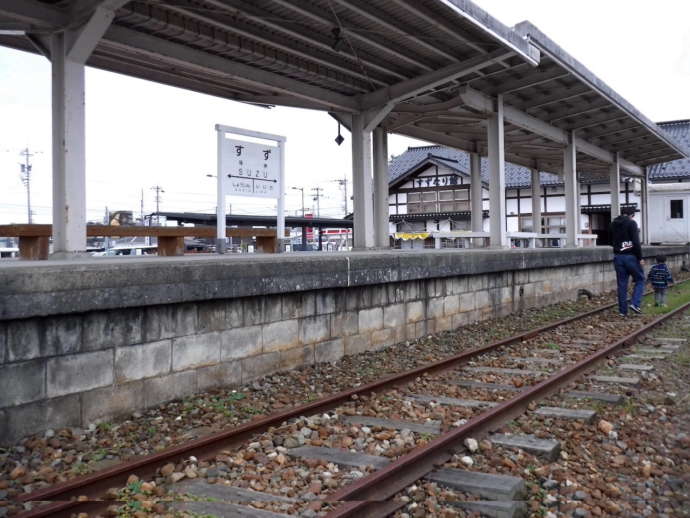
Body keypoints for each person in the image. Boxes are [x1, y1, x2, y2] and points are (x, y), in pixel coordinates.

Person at [610, 206, 644, 316]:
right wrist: (640, 258)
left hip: (618, 257)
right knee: (640, 279)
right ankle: (635, 303)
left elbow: (608, 239)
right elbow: (636, 242)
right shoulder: (631, 223)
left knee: (622, 284)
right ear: (631, 215)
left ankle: (622, 311)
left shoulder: (613, 224)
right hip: (631, 257)